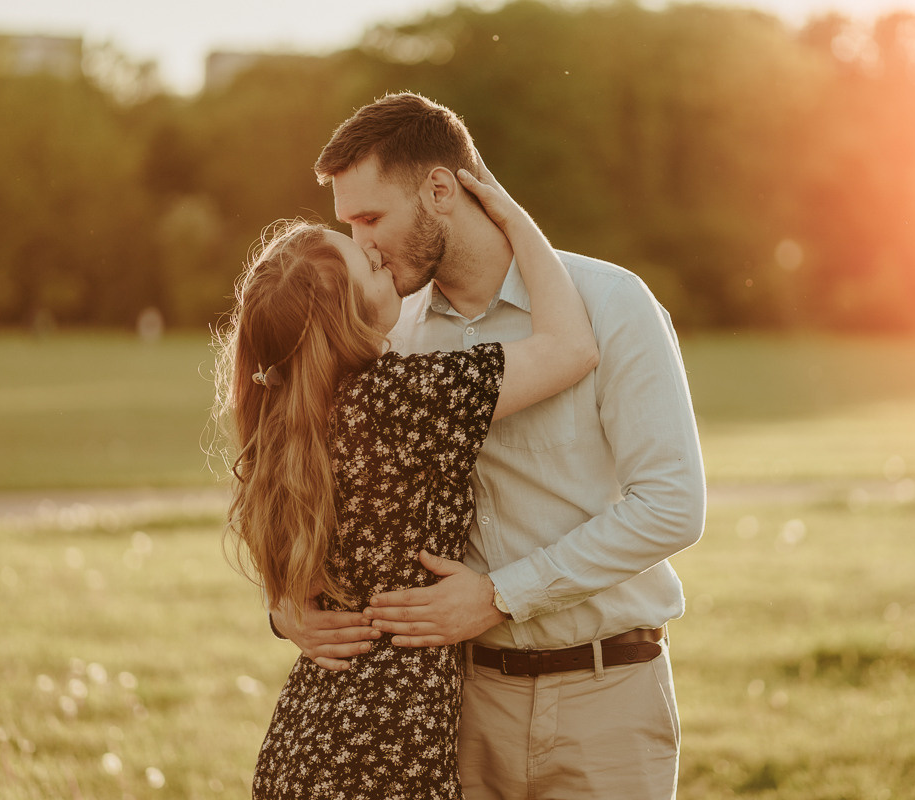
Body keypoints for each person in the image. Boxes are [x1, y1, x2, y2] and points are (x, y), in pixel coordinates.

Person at [273, 92, 707, 798]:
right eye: (348, 225)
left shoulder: (611, 303)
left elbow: (672, 507)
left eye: (371, 218)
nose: (362, 246)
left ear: (440, 189)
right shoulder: (388, 330)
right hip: (458, 707)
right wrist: (286, 604)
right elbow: (305, 475)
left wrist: (503, 596)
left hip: (608, 697)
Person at [214, 162, 598, 799]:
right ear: (347, 318)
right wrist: (510, 215)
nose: (374, 252)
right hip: (391, 747)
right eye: (364, 264)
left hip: (304, 736)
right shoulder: (403, 399)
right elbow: (570, 348)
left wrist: (283, 617)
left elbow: (295, 584)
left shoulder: (279, 425)